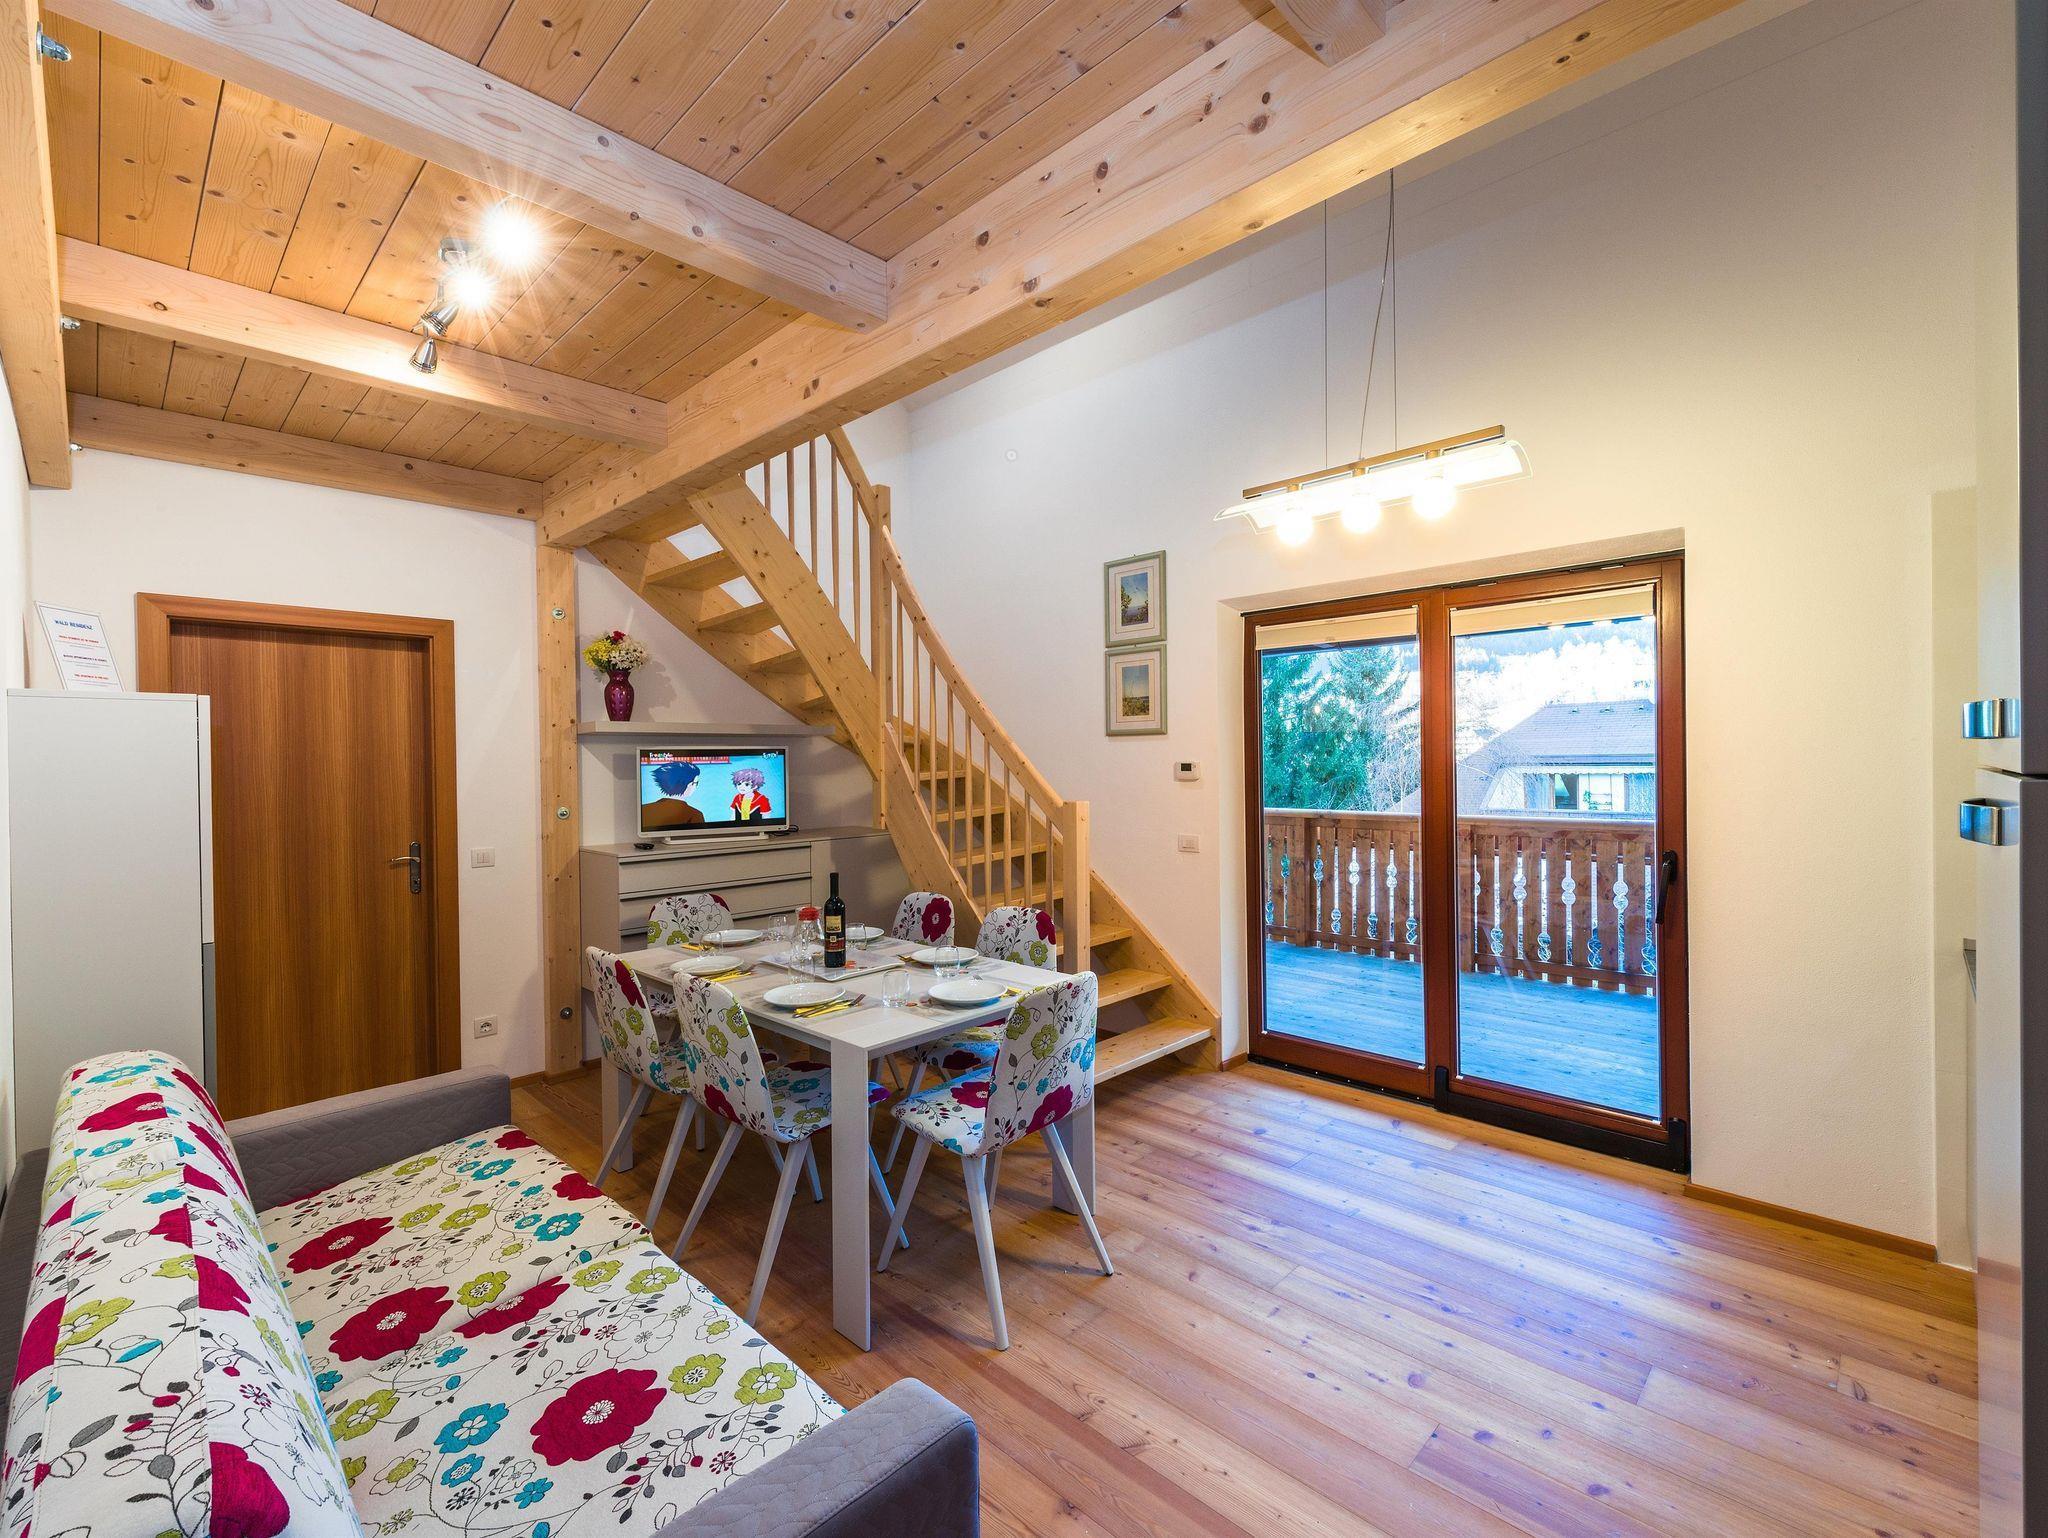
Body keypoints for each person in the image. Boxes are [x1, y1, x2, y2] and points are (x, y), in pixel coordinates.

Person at [643, 759, 706, 830]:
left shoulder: (644, 809)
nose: (696, 786)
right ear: (690, 784)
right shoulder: (695, 814)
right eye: (696, 783)